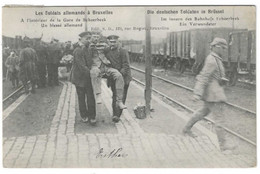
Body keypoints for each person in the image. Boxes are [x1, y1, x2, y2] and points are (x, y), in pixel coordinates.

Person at [182, 37, 233, 152]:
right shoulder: (212, 60)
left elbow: (211, 76)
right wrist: (197, 93)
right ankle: (223, 146)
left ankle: (186, 129)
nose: (224, 50)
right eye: (223, 48)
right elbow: (203, 76)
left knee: (201, 113)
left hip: (211, 94)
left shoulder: (215, 58)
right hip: (214, 95)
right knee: (220, 120)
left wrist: (221, 79)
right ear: (216, 47)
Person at [89, 33, 127, 112]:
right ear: (91, 38)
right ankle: (98, 94)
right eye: (94, 37)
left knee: (118, 75)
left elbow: (112, 48)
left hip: (106, 66)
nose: (96, 38)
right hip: (95, 66)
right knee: (95, 73)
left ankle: (119, 100)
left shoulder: (104, 45)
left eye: (97, 37)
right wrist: (91, 47)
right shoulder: (88, 46)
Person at [69, 31, 97, 125]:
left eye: (90, 38)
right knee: (81, 98)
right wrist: (92, 73)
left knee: (90, 97)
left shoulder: (88, 48)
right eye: (87, 38)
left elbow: (90, 62)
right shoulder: (78, 50)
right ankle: (84, 116)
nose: (89, 40)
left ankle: (92, 116)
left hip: (87, 76)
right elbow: (81, 66)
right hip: (80, 78)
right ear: (81, 39)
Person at [104, 35, 132, 123]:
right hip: (114, 77)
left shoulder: (123, 51)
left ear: (118, 42)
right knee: (115, 95)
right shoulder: (107, 51)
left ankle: (117, 115)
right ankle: (115, 114)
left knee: (121, 96)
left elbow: (126, 65)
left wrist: (120, 74)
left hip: (124, 77)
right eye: (111, 42)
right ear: (108, 42)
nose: (112, 43)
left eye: (114, 42)